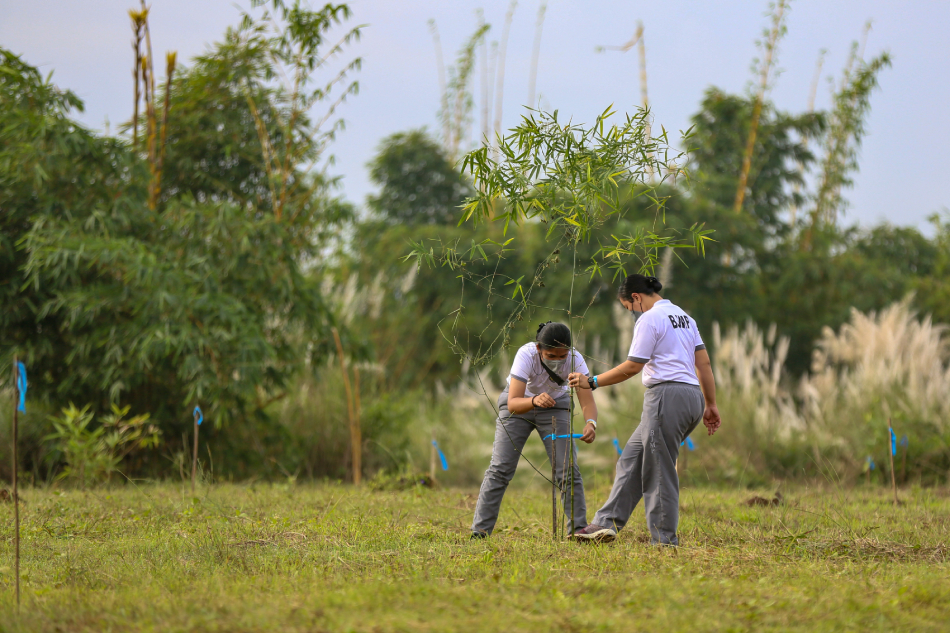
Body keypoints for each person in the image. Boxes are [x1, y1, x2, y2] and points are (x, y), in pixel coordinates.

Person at [567, 274, 721, 545]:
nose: (631, 314)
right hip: (692, 397)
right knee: (631, 459)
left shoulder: (650, 318)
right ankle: (606, 523)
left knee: (658, 468)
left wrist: (591, 382)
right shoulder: (685, 318)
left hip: (666, 398)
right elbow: (704, 364)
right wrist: (710, 404)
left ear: (636, 298)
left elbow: (632, 366)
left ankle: (663, 539)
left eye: (628, 308)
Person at [471, 322, 599, 538]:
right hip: (522, 405)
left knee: (567, 470)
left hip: (556, 407)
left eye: (562, 356)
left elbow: (587, 401)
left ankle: (578, 531)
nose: (558, 360)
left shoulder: (575, 359)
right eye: (551, 355)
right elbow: (512, 403)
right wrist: (534, 400)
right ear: (539, 349)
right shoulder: (526, 354)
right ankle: (480, 532)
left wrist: (591, 423)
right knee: (500, 468)